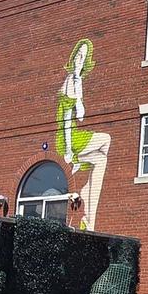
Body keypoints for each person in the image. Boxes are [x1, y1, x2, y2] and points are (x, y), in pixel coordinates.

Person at [56, 39, 110, 230]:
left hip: (75, 134)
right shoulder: (70, 82)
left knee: (101, 160)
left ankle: (89, 218)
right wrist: (69, 150)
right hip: (67, 137)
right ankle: (78, 161)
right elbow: (66, 120)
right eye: (78, 55)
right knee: (106, 139)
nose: (80, 60)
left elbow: (80, 114)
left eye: (84, 57)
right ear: (73, 57)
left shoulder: (78, 82)